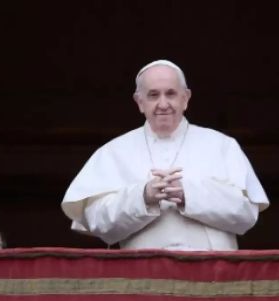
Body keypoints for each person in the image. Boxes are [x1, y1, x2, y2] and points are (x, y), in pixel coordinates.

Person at [61, 60, 268, 250]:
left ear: (185, 98)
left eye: (171, 94)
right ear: (139, 102)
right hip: (143, 276)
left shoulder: (223, 146)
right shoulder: (113, 152)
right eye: (153, 95)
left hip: (211, 276)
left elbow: (247, 215)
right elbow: (97, 221)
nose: (163, 104)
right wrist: (143, 197)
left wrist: (188, 194)